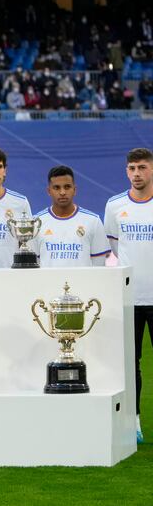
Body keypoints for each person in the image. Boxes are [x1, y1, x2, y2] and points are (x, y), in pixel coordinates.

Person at [104, 147, 153, 443]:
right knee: (129, 364)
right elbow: (115, 245)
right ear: (126, 171)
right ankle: (132, 422)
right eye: (132, 168)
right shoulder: (115, 205)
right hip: (129, 299)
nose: (137, 174)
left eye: (143, 168)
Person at [35, 165, 110, 268]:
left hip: (82, 284)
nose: (62, 192)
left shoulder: (93, 221)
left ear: (74, 190)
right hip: (49, 284)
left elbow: (99, 266)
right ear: (49, 191)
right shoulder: (36, 223)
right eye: (57, 188)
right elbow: (34, 266)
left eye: (67, 187)